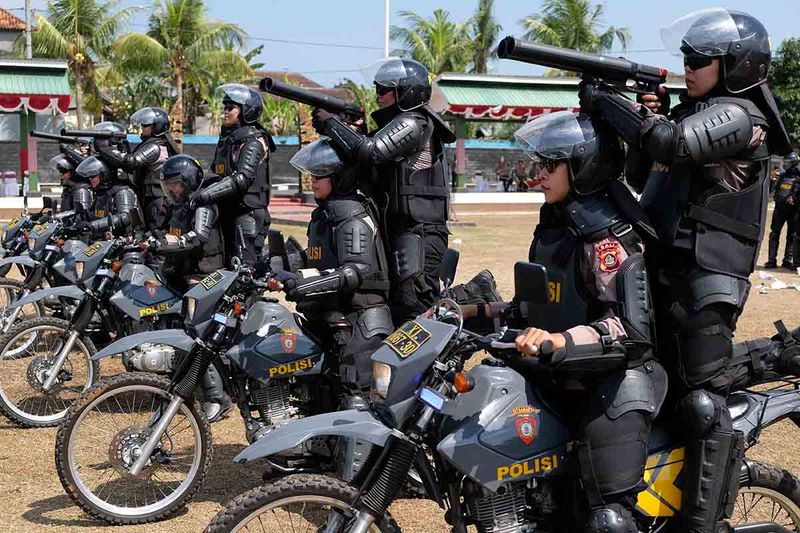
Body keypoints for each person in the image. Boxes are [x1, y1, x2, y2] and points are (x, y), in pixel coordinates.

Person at [581, 8, 792, 532]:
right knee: (649, 386)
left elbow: (671, 145)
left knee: (700, 401)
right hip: (664, 268)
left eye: (701, 59)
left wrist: (609, 102)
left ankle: (704, 520)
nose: (688, 65)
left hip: (708, 277)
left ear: (736, 64)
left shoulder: (743, 117)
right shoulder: (688, 113)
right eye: (686, 56)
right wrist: (637, 114)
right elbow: (644, 168)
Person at [506, 111, 664, 532]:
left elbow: (630, 330)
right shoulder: (557, 225)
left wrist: (560, 340)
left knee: (608, 520)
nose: (539, 174)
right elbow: (540, 304)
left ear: (583, 165)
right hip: (560, 376)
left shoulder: (606, 236)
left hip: (613, 385)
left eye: (550, 164)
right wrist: (474, 311)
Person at [266, 140, 393, 474]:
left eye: (320, 173)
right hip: (330, 316)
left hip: (360, 318)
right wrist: (284, 267)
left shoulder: (351, 214)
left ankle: (356, 480)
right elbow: (318, 259)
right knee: (317, 386)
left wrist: (306, 284)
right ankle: (320, 454)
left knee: (355, 394)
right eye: (311, 173)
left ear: (341, 175)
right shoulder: (323, 214)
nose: (313, 179)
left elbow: (356, 270)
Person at [311, 57, 456, 325]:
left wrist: (332, 124)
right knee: (396, 302)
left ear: (406, 91)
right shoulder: (397, 125)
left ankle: (428, 367)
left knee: (414, 302)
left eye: (384, 90)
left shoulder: (415, 122)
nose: (378, 96)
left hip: (419, 231)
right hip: (400, 229)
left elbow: (371, 151)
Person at [141, 154, 230, 421]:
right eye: (169, 186)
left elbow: (197, 238)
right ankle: (177, 386)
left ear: (189, 181)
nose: (173, 190)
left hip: (204, 277)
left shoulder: (203, 203)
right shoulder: (180, 205)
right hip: (181, 274)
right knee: (171, 328)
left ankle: (217, 397)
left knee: (198, 335)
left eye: (177, 185)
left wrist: (164, 245)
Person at [191, 84, 274, 267]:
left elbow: (242, 179)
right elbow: (213, 174)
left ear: (246, 110)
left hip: (247, 213)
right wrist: (194, 189)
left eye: (230, 108)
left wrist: (206, 195)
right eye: (224, 107)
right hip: (227, 211)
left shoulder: (253, 141)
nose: (225, 112)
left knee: (243, 269)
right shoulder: (228, 140)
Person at [94, 107, 179, 232]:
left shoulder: (156, 146)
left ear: (156, 127)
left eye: (145, 125)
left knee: (155, 231)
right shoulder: (151, 143)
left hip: (158, 200)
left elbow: (132, 162)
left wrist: (105, 149)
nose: (142, 128)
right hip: (148, 197)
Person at [73, 156, 143, 238]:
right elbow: (93, 214)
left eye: (93, 176)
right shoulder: (101, 193)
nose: (90, 179)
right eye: (89, 177)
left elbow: (125, 217)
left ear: (104, 175)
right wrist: (77, 222)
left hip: (124, 241)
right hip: (104, 240)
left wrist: (92, 225)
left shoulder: (122, 191)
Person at [765, 151, 799, 269]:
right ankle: (771, 260)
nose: (784, 164)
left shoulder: (798, 178)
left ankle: (787, 260)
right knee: (774, 234)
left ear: (794, 163)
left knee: (792, 236)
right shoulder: (781, 176)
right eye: (784, 162)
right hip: (779, 210)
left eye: (787, 162)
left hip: (793, 212)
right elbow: (771, 190)